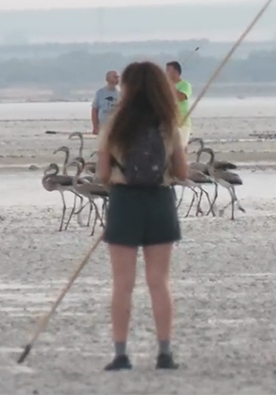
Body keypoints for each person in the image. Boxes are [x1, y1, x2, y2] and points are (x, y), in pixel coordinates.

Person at [95, 61, 189, 371]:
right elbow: (182, 172)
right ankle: (165, 354)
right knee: (159, 282)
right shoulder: (168, 124)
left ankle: (121, 355)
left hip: (124, 202)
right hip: (160, 201)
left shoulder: (114, 125)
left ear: (128, 88)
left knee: (122, 283)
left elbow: (103, 174)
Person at [165, 61, 192, 147]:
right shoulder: (165, 86)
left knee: (180, 147)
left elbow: (181, 97)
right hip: (169, 123)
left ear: (176, 72)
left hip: (182, 122)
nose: (166, 72)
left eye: (168, 70)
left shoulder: (185, 84)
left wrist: (171, 85)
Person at [91, 70, 120, 135]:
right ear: (108, 79)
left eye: (117, 77)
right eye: (115, 77)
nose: (117, 79)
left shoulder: (120, 93)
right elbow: (94, 110)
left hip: (116, 128)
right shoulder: (100, 93)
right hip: (103, 127)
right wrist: (95, 127)